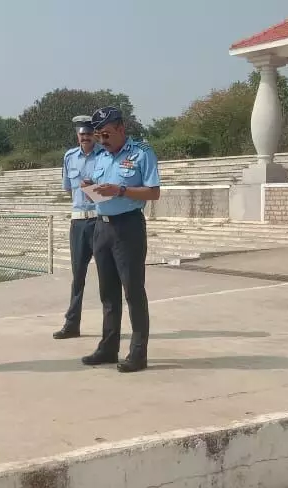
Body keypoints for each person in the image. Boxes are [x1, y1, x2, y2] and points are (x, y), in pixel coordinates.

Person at [80, 106, 161, 373]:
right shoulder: (102, 156)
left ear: (121, 129)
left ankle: (138, 353)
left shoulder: (141, 153)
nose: (102, 141)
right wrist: (90, 188)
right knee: (108, 293)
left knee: (133, 292)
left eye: (106, 134)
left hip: (128, 228)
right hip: (101, 227)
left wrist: (121, 190)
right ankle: (108, 347)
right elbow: (101, 191)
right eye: (98, 136)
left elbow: (153, 192)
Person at [53, 115, 106, 340]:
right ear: (77, 136)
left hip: (99, 219)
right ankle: (72, 323)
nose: (85, 138)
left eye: (89, 134)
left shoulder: (104, 155)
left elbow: (109, 191)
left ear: (95, 135)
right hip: (78, 221)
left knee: (106, 275)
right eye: (82, 134)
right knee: (78, 276)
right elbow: (68, 188)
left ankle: (109, 327)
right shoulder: (69, 157)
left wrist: (92, 189)